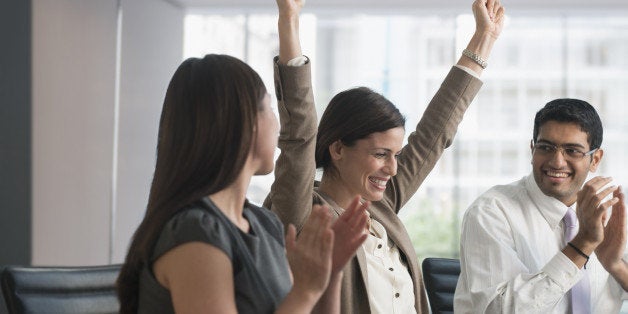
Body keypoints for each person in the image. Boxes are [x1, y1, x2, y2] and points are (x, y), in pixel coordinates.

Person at [265, 0, 505, 312]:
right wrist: (289, 19)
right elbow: (299, 132)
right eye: (380, 154)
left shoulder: (381, 206)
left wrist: (484, 37)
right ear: (337, 149)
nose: (392, 168)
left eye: (396, 154)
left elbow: (435, 133)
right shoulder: (303, 213)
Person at [116, 54, 369, 314]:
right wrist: (305, 291)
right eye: (270, 108)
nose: (278, 125)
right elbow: (300, 301)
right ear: (246, 122)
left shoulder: (265, 225)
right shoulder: (195, 232)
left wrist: (330, 272)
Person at [454, 98, 628, 313]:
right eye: (545, 147)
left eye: (572, 150)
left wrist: (617, 267)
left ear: (595, 159)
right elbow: (497, 310)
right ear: (532, 149)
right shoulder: (491, 211)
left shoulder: (611, 213)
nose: (557, 162)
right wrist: (582, 244)